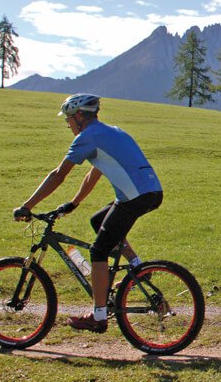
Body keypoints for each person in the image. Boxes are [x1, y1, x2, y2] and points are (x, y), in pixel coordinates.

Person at [13, 93, 163, 333]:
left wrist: (28, 205)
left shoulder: (87, 137)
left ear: (81, 116)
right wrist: (74, 203)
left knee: (98, 251)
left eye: (70, 119)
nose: (68, 124)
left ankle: (99, 316)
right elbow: (95, 172)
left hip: (134, 197)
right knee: (99, 221)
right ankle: (137, 266)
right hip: (151, 192)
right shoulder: (111, 131)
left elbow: (58, 175)